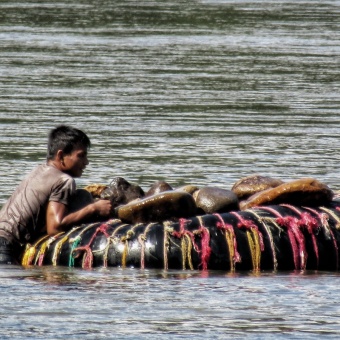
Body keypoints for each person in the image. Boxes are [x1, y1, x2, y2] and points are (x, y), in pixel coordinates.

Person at [0, 125, 112, 265]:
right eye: (81, 156)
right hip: (5, 247)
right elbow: (54, 228)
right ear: (61, 156)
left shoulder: (39, 171)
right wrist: (93, 209)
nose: (86, 162)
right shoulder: (64, 180)